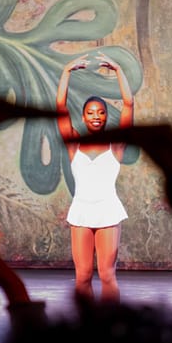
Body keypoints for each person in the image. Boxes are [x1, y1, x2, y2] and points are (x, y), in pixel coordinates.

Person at [53, 53, 134, 304]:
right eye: (90, 112)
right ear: (84, 117)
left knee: (107, 275)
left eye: (100, 112)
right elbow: (60, 107)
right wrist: (66, 71)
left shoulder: (115, 145)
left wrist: (118, 70)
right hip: (82, 211)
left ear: (106, 116)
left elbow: (129, 105)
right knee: (83, 276)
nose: (96, 116)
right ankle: (86, 322)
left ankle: (111, 322)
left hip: (107, 210)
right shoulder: (74, 144)